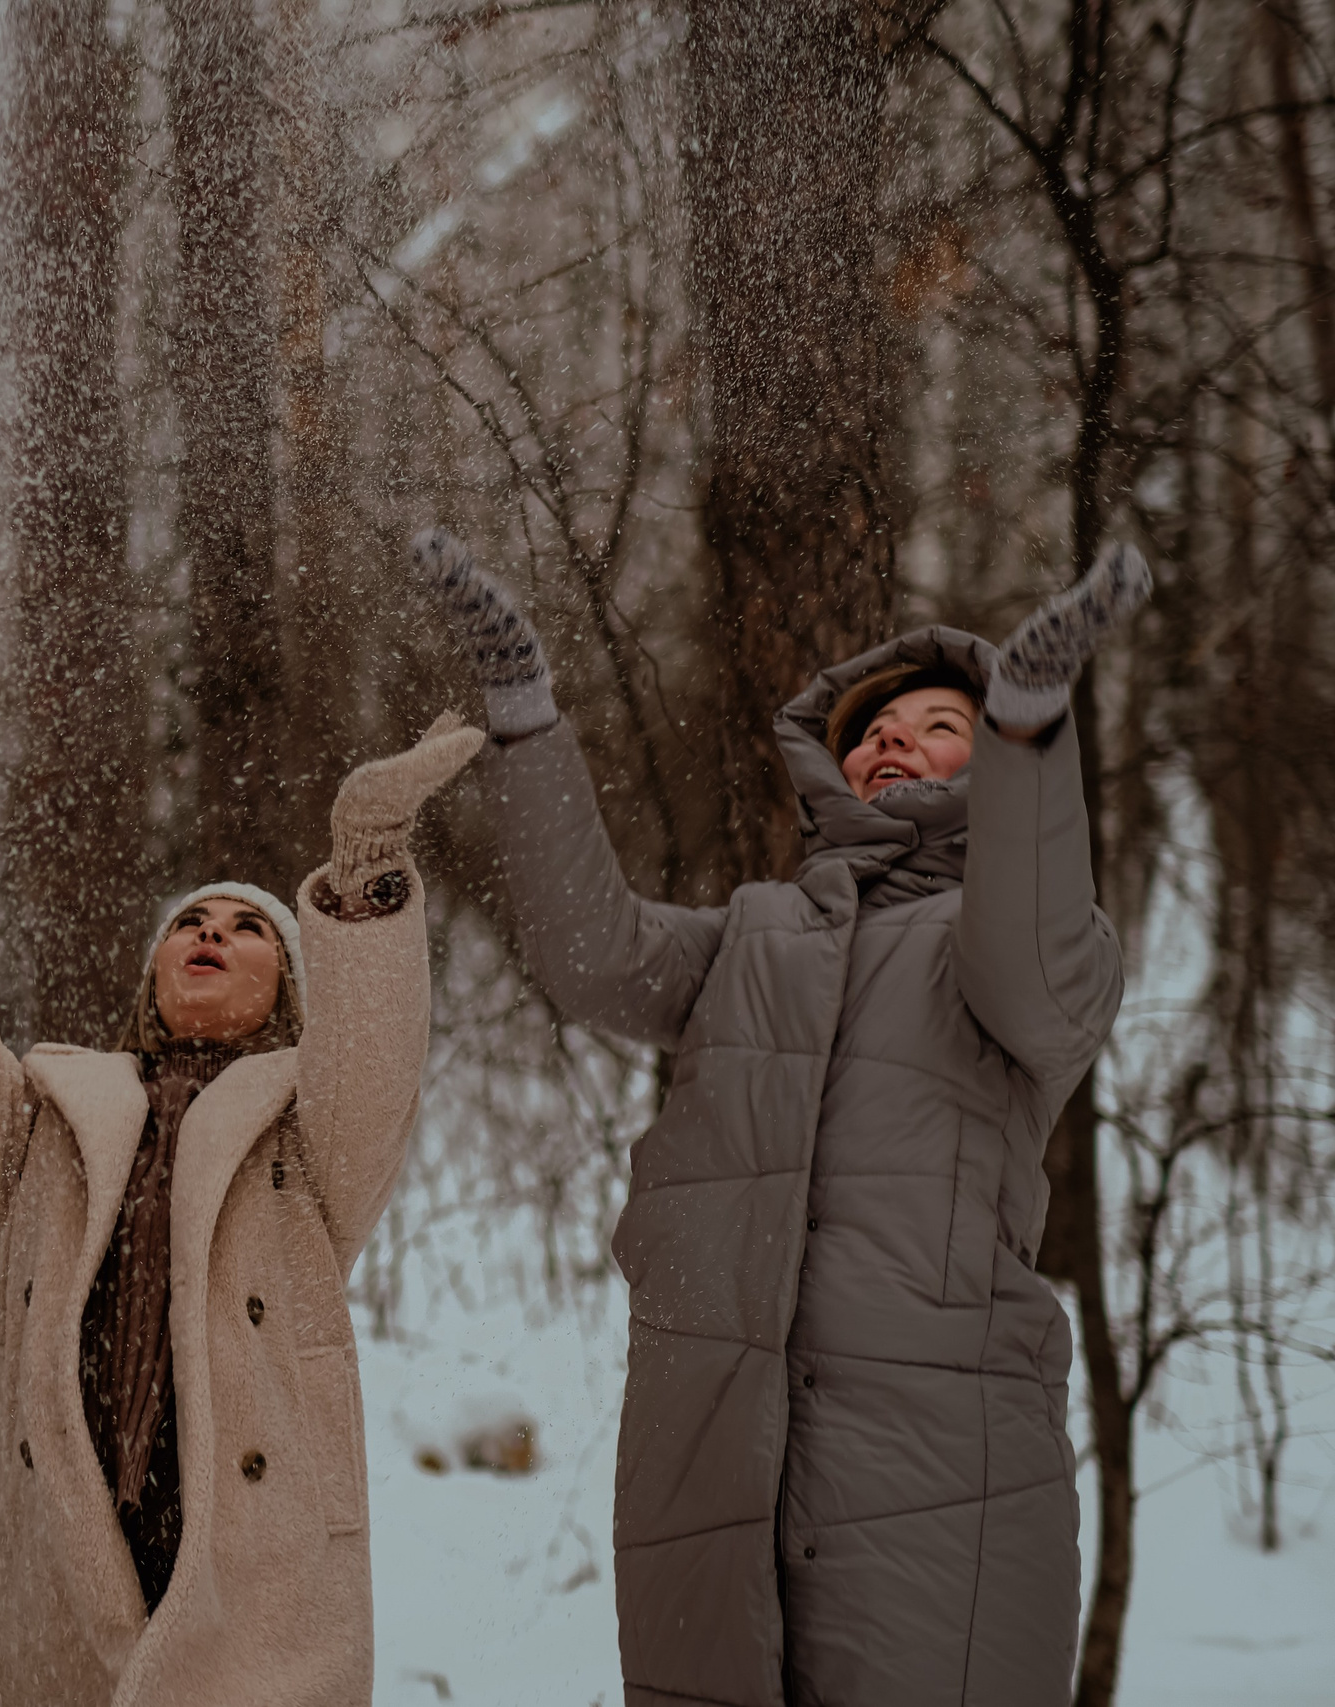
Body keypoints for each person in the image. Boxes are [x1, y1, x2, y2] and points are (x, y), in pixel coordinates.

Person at [408, 527, 1149, 1707]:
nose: (890, 739)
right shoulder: (750, 938)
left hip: (938, 1479)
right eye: (869, 734)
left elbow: (1027, 944)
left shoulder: (1041, 950)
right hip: (714, 1477)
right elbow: (590, 956)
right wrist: (523, 712)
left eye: (936, 726)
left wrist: (1025, 726)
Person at [0, 680, 485, 1706]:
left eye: (245, 929)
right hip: (74, 1574)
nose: (209, 933)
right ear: (155, 975)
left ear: (289, 992)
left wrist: (367, 850)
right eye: (190, 923)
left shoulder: (311, 1137)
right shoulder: (47, 1124)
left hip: (253, 1578)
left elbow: (375, 1049)